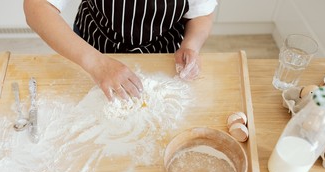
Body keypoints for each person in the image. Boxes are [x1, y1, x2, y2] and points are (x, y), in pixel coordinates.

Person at [24, 0, 217, 101]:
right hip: (93, 47)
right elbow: (37, 6)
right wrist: (97, 64)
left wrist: (191, 44)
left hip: (163, 54)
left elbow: (202, 12)